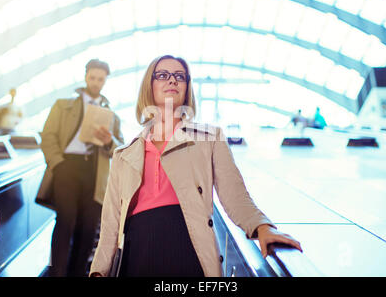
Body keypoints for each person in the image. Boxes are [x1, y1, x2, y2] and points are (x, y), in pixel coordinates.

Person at [89, 55, 301, 277]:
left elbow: (234, 195)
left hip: (188, 250)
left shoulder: (209, 139)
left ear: (187, 88)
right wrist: (98, 272)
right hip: (137, 254)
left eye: (179, 76)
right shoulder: (124, 155)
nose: (172, 81)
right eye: (162, 75)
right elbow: (110, 222)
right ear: (148, 86)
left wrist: (262, 227)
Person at [36, 59, 124, 277]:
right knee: (65, 221)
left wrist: (107, 141)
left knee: (88, 228)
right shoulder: (62, 106)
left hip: (95, 173)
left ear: (105, 81)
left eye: (100, 79)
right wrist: (58, 163)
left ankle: (76, 274)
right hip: (67, 167)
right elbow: (47, 136)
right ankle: (57, 273)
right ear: (86, 77)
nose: (95, 82)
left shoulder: (112, 116)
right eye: (92, 77)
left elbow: (120, 149)